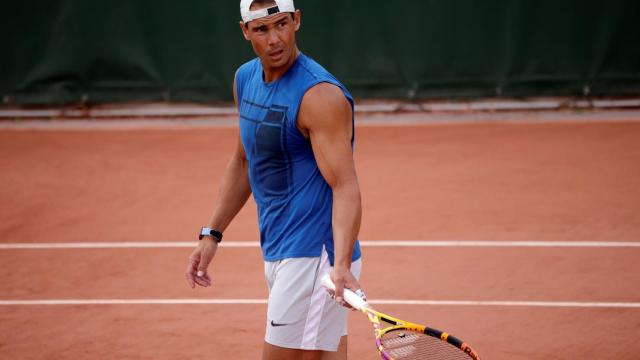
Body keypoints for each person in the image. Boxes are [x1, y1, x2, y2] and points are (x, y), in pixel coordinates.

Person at [185, 0, 365, 358]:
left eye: (281, 25)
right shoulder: (244, 79)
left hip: (315, 255)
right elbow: (244, 160)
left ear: (296, 21)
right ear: (245, 31)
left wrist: (340, 264)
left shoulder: (319, 96)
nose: (274, 40)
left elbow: (345, 185)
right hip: (280, 247)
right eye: (262, 30)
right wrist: (212, 234)